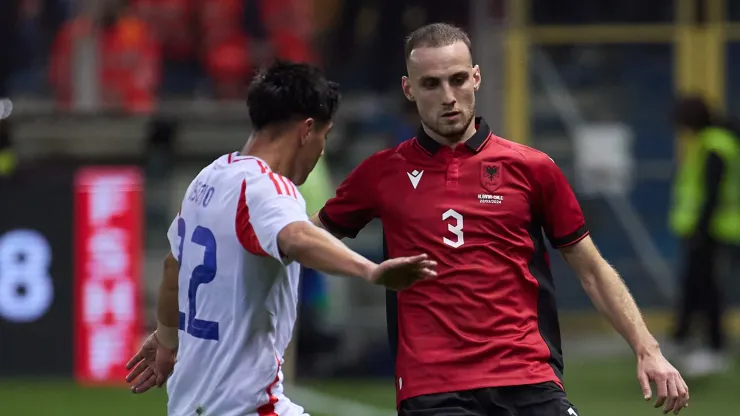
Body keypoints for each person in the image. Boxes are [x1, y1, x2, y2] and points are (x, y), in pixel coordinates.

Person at [312, 23, 690, 415]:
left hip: (527, 377)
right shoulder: (381, 173)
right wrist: (366, 270)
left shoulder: (532, 168)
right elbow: (304, 238)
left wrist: (649, 350)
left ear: (476, 78)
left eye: (458, 80)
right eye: (431, 84)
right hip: (433, 388)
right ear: (409, 89)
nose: (448, 97)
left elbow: (591, 269)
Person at [124, 60, 437, 416]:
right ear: (307, 130)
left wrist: (166, 340)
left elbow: (172, 268)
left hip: (189, 406)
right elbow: (297, 237)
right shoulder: (267, 188)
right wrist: (371, 271)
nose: (321, 149)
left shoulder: (209, 178)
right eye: (324, 135)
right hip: (248, 407)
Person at [669, 96, 740, 376]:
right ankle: (683, 337)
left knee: (708, 289)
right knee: (694, 285)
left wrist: (701, 228)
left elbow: (712, 192)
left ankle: (715, 347)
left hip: (715, 230)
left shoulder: (714, 145)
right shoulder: (711, 142)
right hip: (708, 229)